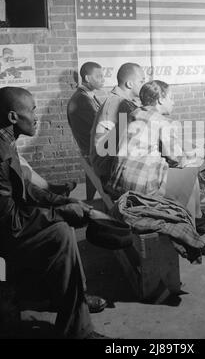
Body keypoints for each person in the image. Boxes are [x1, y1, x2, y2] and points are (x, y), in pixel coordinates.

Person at [0, 87, 111, 339]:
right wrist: (61, 213)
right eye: (33, 111)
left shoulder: (6, 141)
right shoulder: (0, 153)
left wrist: (62, 201)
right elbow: (11, 224)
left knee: (61, 225)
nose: (37, 117)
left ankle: (76, 301)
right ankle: (78, 329)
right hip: (4, 235)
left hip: (8, 224)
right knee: (59, 232)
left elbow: (25, 189)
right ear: (13, 117)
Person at [107, 80, 205, 235]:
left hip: (119, 180)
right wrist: (197, 155)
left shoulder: (134, 113)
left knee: (186, 173)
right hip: (139, 186)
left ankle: (197, 218)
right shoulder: (163, 122)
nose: (173, 102)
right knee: (191, 170)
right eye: (171, 97)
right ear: (161, 99)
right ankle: (194, 225)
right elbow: (176, 158)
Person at [90, 62, 145, 182]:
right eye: (141, 81)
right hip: (107, 168)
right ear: (130, 84)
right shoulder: (120, 104)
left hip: (107, 161)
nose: (144, 85)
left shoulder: (120, 100)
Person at [67, 62, 104, 158]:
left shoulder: (88, 96)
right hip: (92, 154)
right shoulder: (81, 100)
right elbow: (100, 127)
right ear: (87, 78)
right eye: (99, 76)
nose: (103, 80)